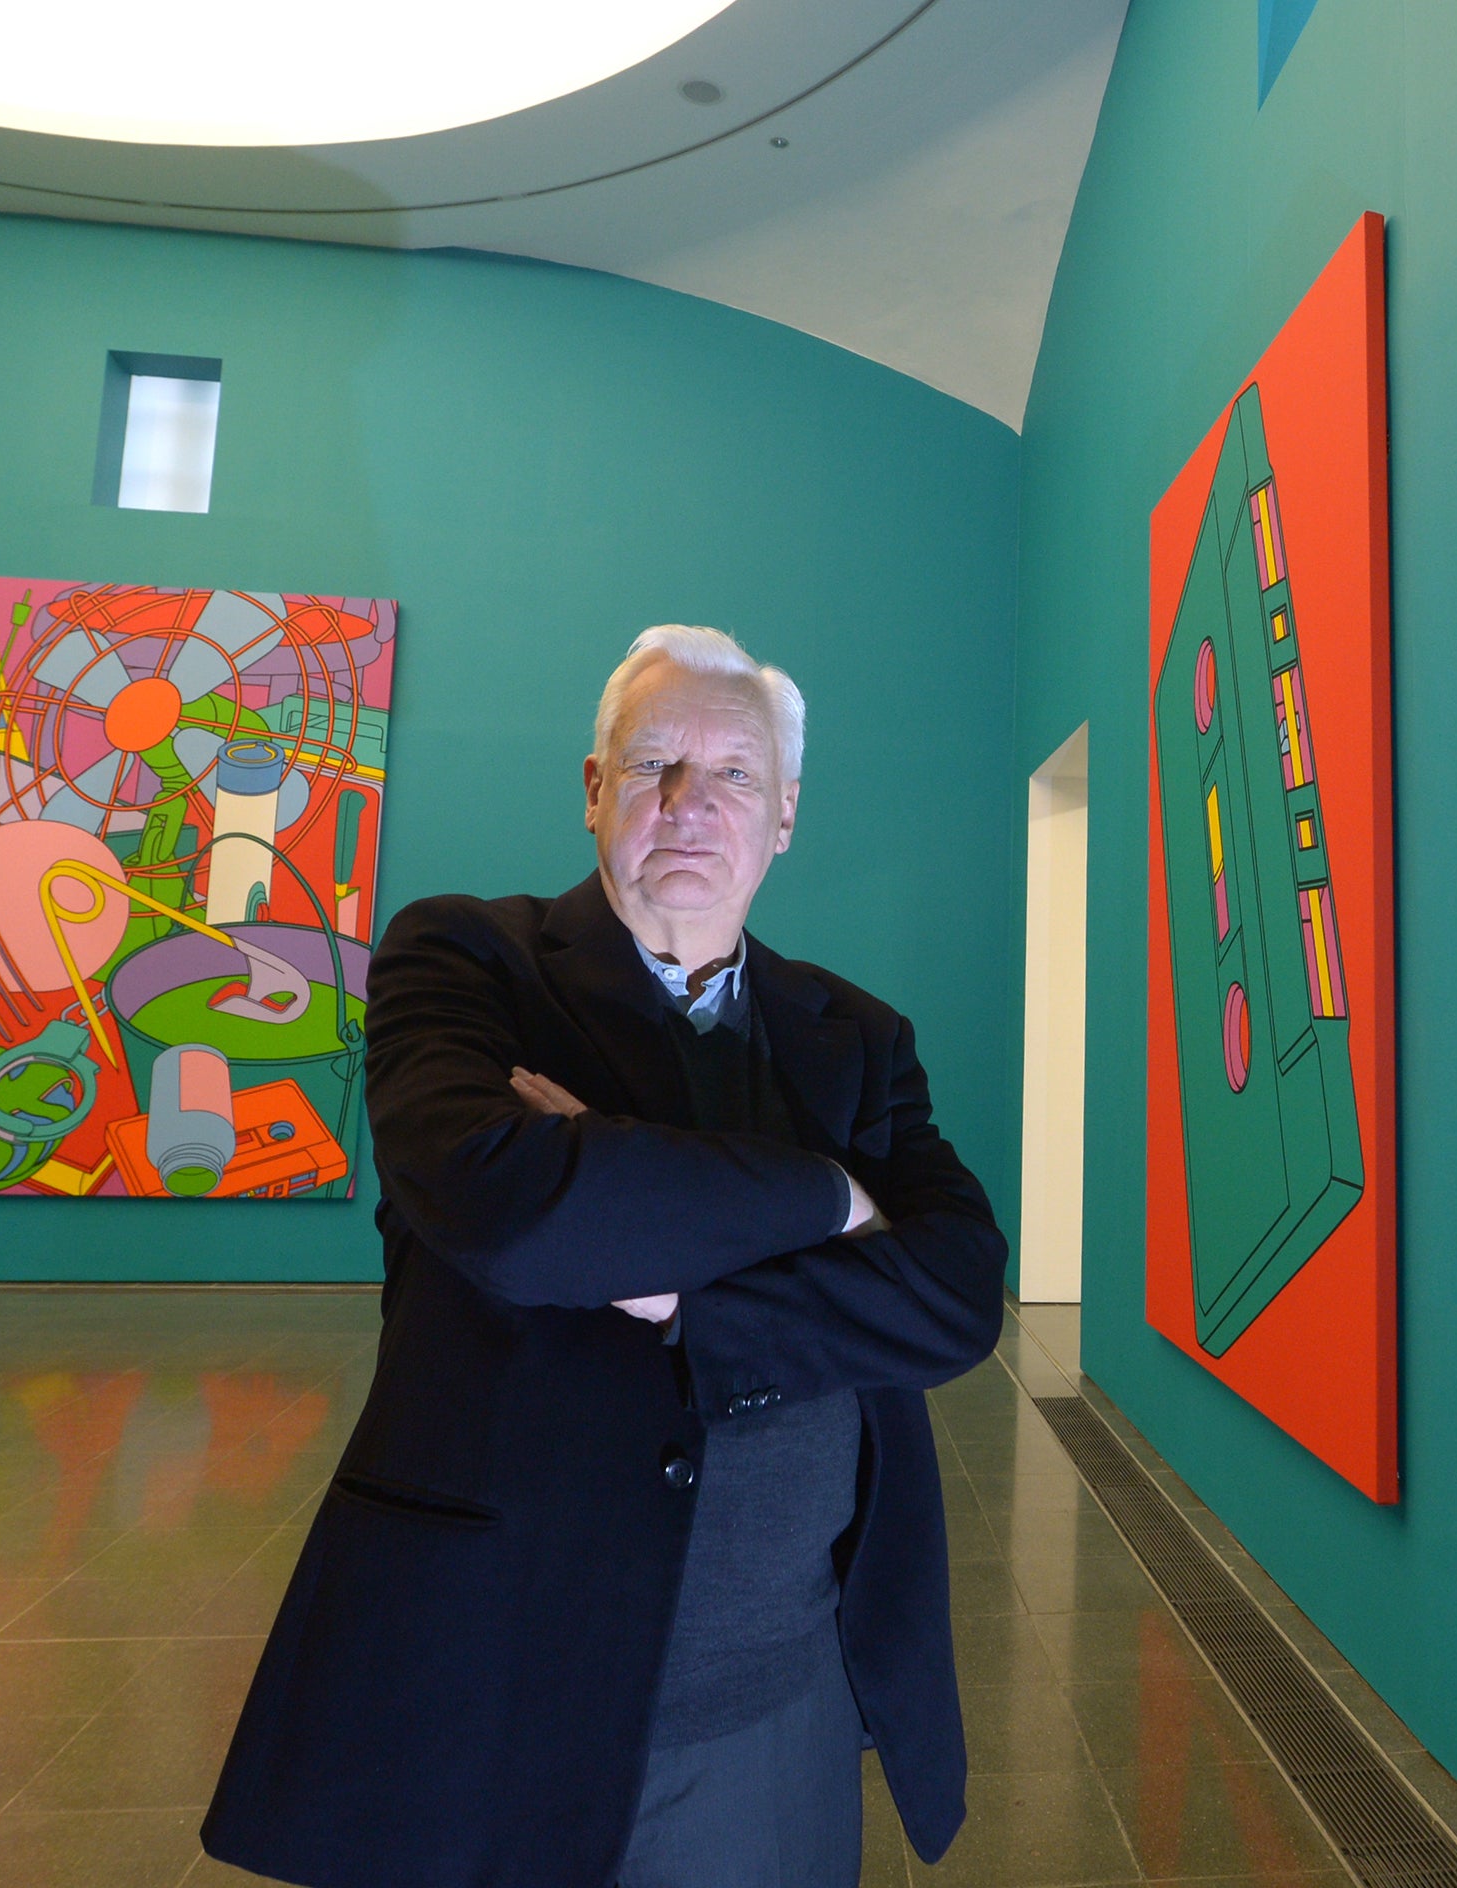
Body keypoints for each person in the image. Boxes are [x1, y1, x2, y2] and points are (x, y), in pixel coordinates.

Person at [201, 625, 1006, 1888]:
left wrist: (688, 1296)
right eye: (653, 764)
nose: (691, 804)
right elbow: (517, 1217)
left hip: (774, 1690)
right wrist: (833, 1196)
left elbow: (957, 1299)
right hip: (500, 1665)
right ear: (594, 789)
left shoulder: (856, 1035)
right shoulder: (465, 959)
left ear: (785, 815)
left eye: (735, 775)